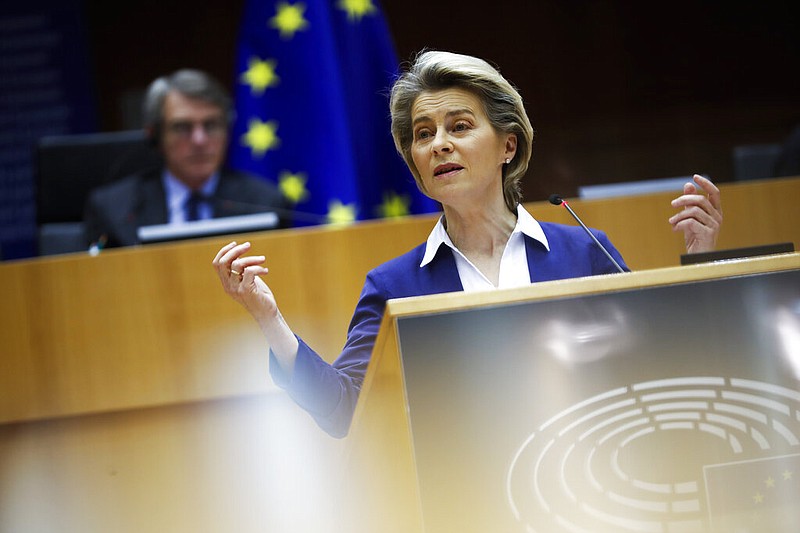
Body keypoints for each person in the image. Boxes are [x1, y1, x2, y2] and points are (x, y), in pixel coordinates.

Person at [212, 51, 723, 438]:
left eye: (459, 126)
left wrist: (701, 265)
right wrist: (267, 317)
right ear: (417, 166)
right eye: (423, 133)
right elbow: (342, 410)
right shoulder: (395, 284)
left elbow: (662, 370)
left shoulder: (584, 251)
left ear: (508, 145)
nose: (439, 144)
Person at [84, 69, 291, 248]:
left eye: (211, 125)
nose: (199, 140)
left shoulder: (266, 202)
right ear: (155, 135)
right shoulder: (112, 208)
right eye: (182, 127)